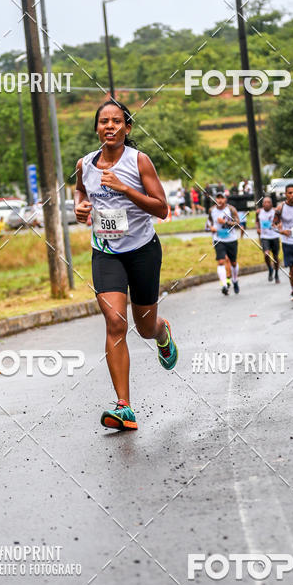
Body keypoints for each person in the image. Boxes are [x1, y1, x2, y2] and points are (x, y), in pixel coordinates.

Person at [74, 99, 178, 432]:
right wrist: (79, 207)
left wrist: (125, 188)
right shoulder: (85, 165)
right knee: (115, 321)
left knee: (144, 327)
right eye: (103, 121)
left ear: (127, 128)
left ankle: (162, 333)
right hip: (105, 251)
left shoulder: (139, 161)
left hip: (143, 250)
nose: (109, 126)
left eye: (116, 121)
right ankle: (124, 407)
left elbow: (161, 208)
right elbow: (80, 192)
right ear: (96, 128)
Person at [206, 191, 241, 295]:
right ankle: (224, 284)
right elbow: (208, 223)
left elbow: (238, 223)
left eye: (222, 198)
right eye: (218, 198)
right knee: (221, 261)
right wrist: (210, 228)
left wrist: (225, 222)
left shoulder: (231, 209)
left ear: (225, 199)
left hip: (231, 239)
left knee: (233, 262)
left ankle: (235, 280)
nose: (220, 200)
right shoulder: (211, 210)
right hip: (218, 239)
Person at [256, 196, 280, 282]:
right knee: (266, 254)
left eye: (268, 202)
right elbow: (257, 221)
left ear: (271, 204)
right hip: (264, 237)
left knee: (275, 256)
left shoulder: (276, 211)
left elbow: (280, 222)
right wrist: (258, 228)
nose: (266, 204)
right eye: (264, 202)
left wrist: (278, 226)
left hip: (275, 236)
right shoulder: (259, 212)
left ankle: (277, 274)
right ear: (262, 204)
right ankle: (270, 269)